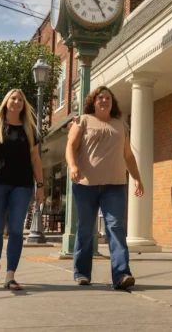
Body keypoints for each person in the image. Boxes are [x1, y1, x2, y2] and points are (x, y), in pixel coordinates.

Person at [66, 86, 144, 290]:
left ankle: (121, 274)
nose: (104, 101)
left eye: (108, 98)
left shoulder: (121, 125)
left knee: (115, 227)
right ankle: (81, 273)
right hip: (85, 184)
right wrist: (73, 166)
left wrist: (137, 178)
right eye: (100, 98)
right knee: (85, 228)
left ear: (112, 102)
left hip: (115, 185)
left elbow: (128, 155)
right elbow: (70, 147)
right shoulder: (83, 120)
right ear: (94, 101)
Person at [0, 89, 44, 291]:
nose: (16, 102)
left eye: (20, 100)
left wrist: (40, 185)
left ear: (24, 105)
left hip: (22, 186)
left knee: (16, 230)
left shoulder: (30, 129)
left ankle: (10, 275)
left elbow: (35, 159)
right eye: (13, 98)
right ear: (6, 102)